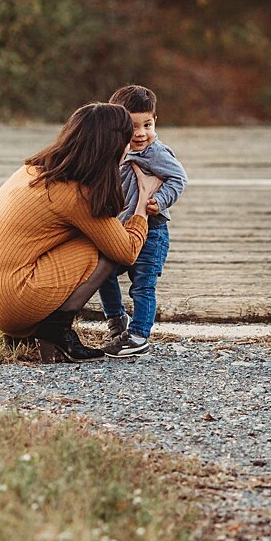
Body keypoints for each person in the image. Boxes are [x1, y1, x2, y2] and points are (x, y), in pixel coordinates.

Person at [0, 102, 162, 362]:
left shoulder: (35, 169)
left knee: (88, 236)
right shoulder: (78, 193)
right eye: (126, 140)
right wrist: (143, 201)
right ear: (111, 147)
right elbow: (127, 251)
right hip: (10, 303)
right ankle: (57, 327)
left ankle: (22, 334)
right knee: (105, 248)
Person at [98, 84, 189, 358]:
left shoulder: (157, 153)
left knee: (143, 284)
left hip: (152, 232)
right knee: (102, 275)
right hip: (122, 230)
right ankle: (116, 321)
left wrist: (159, 200)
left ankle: (139, 335)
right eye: (133, 126)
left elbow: (179, 179)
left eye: (146, 125)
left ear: (155, 121)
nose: (140, 133)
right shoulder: (116, 151)